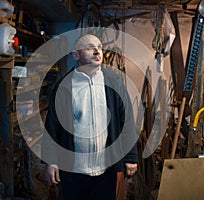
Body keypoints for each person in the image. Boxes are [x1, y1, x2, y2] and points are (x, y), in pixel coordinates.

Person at [43, 33, 138, 200]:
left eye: (99, 47)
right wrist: (51, 161)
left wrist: (130, 156)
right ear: (76, 55)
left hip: (105, 169)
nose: (97, 51)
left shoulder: (114, 82)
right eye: (89, 47)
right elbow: (52, 125)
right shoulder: (63, 86)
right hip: (73, 170)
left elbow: (127, 121)